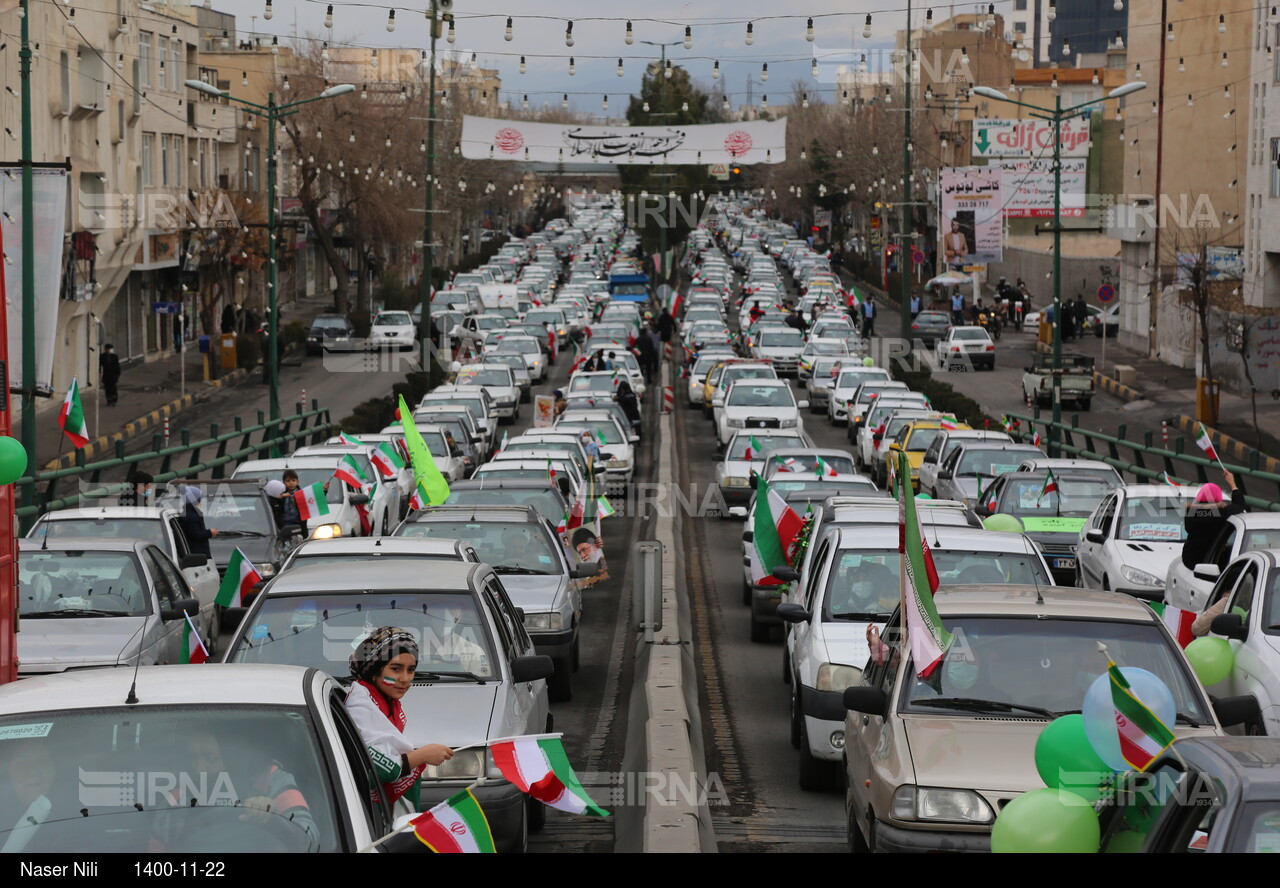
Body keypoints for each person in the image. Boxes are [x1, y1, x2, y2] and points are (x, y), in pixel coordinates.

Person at [345, 627, 454, 810]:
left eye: (411, 670)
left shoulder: (388, 703)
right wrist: (422, 755)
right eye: (396, 669)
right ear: (374, 670)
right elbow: (371, 768)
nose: (405, 679)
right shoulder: (360, 707)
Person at [1181, 473, 1249, 570]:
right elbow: (1239, 505)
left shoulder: (1190, 513)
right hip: (1211, 562)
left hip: (1190, 559)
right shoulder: (1220, 513)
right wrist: (1233, 484)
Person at [176, 485, 218, 558]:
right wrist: (210, 532)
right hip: (197, 555)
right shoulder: (192, 516)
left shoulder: (188, 513)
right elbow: (195, 534)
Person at [281, 469, 307, 537]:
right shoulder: (281, 494)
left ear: (297, 482)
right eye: (288, 481)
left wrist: (324, 490)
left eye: (293, 480)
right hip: (284, 525)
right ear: (283, 483)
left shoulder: (302, 494)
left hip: (298, 524)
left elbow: (313, 500)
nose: (291, 483)